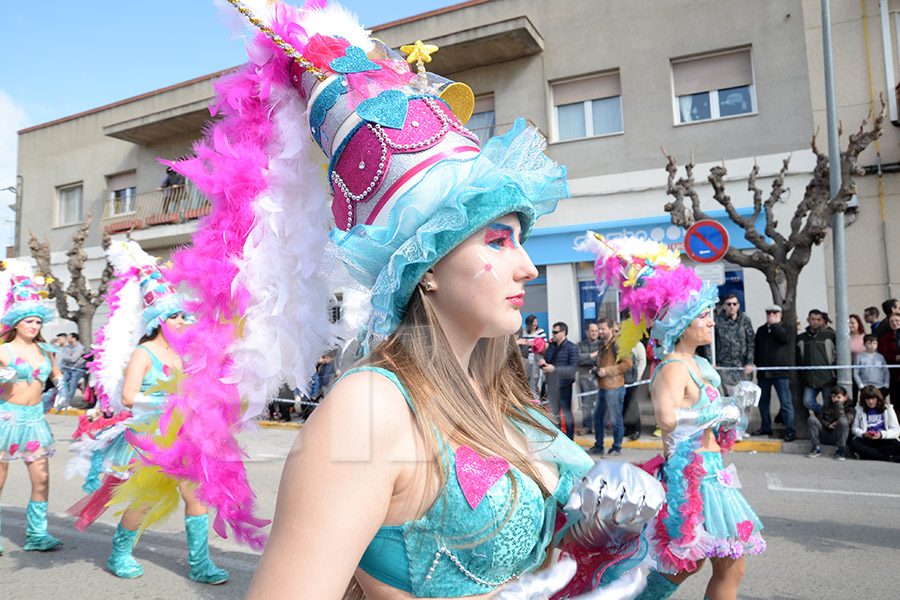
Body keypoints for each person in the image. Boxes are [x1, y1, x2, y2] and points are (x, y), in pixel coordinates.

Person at [145, 5, 667, 599]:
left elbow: (549, 554)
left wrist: (602, 522)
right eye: (498, 241)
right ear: (426, 269)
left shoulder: (497, 391)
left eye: (521, 240)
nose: (527, 265)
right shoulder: (367, 410)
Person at [580, 234, 764, 600]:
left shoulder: (699, 364)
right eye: (703, 317)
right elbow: (667, 419)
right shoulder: (673, 367)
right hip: (690, 480)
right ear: (681, 325)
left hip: (712, 472)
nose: (711, 323)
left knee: (726, 563)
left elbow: (714, 417)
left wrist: (738, 405)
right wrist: (719, 410)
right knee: (683, 564)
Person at [65, 242, 227, 583]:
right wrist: (167, 400)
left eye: (183, 316)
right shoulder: (144, 352)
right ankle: (119, 552)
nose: (183, 321)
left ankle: (200, 564)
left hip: (183, 434)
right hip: (149, 436)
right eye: (175, 316)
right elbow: (127, 397)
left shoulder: (183, 353)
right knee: (144, 500)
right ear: (158, 320)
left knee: (195, 495)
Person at [0, 262, 66, 555]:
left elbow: (55, 374)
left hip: (35, 420)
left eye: (38, 322)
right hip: (6, 419)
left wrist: (62, 387)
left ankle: (37, 535)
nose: (34, 326)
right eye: (29, 321)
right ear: (16, 323)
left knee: (42, 479)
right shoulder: (3, 350)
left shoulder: (44, 350)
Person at [751, 304, 796, 441]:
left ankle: (790, 430)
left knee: (786, 402)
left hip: (781, 373)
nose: (771, 315)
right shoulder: (761, 330)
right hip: (764, 373)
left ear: (780, 315)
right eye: (769, 313)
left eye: (774, 313)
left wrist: (775, 326)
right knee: (763, 402)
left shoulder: (787, 328)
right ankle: (766, 427)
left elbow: (785, 339)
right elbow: (757, 348)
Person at [588, 318, 632, 455]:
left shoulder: (618, 344)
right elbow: (606, 362)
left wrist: (607, 371)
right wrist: (597, 369)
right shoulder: (602, 344)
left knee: (616, 419)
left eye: (603, 329)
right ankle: (599, 446)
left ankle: (616, 447)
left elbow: (627, 364)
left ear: (611, 329)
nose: (600, 331)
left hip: (615, 387)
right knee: (597, 418)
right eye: (599, 328)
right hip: (603, 387)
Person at [540, 322, 580, 439]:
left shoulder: (572, 347)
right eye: (553, 332)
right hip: (552, 385)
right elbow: (547, 359)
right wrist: (543, 363)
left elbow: (573, 368)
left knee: (567, 415)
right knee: (554, 415)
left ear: (563, 333)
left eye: (555, 332)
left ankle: (570, 439)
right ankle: (558, 439)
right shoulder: (552, 346)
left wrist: (554, 369)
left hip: (564, 385)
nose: (553, 334)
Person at [713, 294, 755, 395]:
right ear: (724, 306)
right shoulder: (717, 322)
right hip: (724, 367)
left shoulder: (745, 320)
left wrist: (750, 362)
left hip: (742, 367)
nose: (732, 306)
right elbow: (710, 343)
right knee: (727, 400)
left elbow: (751, 342)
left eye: (734, 304)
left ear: (738, 305)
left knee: (744, 398)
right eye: (729, 304)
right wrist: (712, 362)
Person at [797, 309, 836, 415]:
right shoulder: (801, 338)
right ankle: (825, 413)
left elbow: (836, 354)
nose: (815, 322)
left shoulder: (830, 335)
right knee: (807, 402)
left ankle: (827, 421)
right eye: (813, 319)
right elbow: (799, 358)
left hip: (827, 377)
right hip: (810, 378)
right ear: (808, 320)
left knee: (828, 403)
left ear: (822, 321)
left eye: (818, 319)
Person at [849, 385, 900, 462]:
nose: (871, 402)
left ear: (878, 398)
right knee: (853, 444)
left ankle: (868, 454)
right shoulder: (859, 408)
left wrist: (881, 435)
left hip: (883, 438)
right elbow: (854, 428)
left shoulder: (888, 408)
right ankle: (889, 458)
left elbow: (896, 430)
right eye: (868, 399)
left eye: (873, 398)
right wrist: (863, 434)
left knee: (897, 446)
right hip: (867, 439)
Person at [805, 386, 853, 460]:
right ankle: (816, 448)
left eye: (838, 397)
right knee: (812, 419)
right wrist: (828, 425)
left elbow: (848, 420)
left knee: (842, 421)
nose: (836, 399)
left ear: (845, 398)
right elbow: (820, 418)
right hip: (826, 432)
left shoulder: (850, 408)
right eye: (833, 397)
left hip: (838, 435)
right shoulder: (827, 404)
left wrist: (839, 406)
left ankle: (840, 450)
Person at [576, 321, 601, 433]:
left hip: (598, 375)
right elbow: (578, 358)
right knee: (586, 403)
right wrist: (593, 355)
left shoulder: (602, 344)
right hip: (584, 375)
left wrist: (586, 360)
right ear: (587, 332)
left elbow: (601, 359)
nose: (594, 333)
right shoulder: (581, 345)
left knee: (598, 402)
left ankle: (598, 426)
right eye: (592, 331)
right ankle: (587, 427)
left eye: (596, 331)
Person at [622, 332, 647, 441]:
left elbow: (642, 362)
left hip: (633, 381)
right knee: (623, 404)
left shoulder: (637, 345)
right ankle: (627, 428)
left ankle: (636, 429)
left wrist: (637, 378)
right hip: (621, 380)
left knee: (632, 405)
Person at [519, 314, 547, 400]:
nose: (535, 324)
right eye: (533, 322)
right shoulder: (524, 333)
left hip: (536, 359)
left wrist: (532, 344)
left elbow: (544, 345)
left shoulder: (540, 332)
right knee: (526, 380)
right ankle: (529, 398)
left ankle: (536, 399)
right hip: (525, 359)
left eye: (536, 322)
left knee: (536, 380)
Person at [853, 334, 889, 398]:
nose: (872, 346)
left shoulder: (880, 357)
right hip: (866, 386)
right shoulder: (859, 357)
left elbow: (886, 371)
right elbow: (855, 372)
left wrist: (886, 384)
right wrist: (860, 385)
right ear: (864, 344)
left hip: (880, 386)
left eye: (874, 343)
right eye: (869, 343)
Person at [877, 313, 900, 402]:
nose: (894, 323)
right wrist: (895, 358)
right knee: (896, 399)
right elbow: (883, 354)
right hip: (894, 374)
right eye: (892, 321)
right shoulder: (885, 338)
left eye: (897, 320)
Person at [59, 332, 87, 407]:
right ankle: (62, 400)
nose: (68, 339)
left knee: (72, 385)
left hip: (77, 369)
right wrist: (70, 357)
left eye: (70, 337)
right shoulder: (67, 347)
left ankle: (67, 402)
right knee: (63, 384)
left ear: (74, 338)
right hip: (68, 368)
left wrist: (69, 357)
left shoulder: (80, 347)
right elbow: (64, 357)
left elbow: (73, 359)